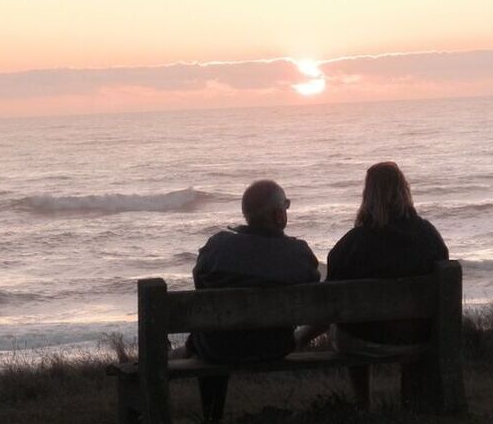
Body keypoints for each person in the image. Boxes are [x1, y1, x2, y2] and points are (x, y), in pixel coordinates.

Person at [295, 162, 449, 408]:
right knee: (405, 323)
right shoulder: (428, 236)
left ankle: (362, 402)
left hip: (362, 342)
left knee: (351, 324)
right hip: (416, 338)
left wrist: (301, 337)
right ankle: (407, 400)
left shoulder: (352, 244)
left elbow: (331, 306)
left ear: (367, 195)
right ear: (404, 190)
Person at [176, 179, 320, 363]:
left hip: (216, 348)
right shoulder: (298, 253)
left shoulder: (217, 248)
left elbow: (200, 284)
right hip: (275, 347)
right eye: (286, 206)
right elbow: (312, 294)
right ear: (279, 215)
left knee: (206, 340)